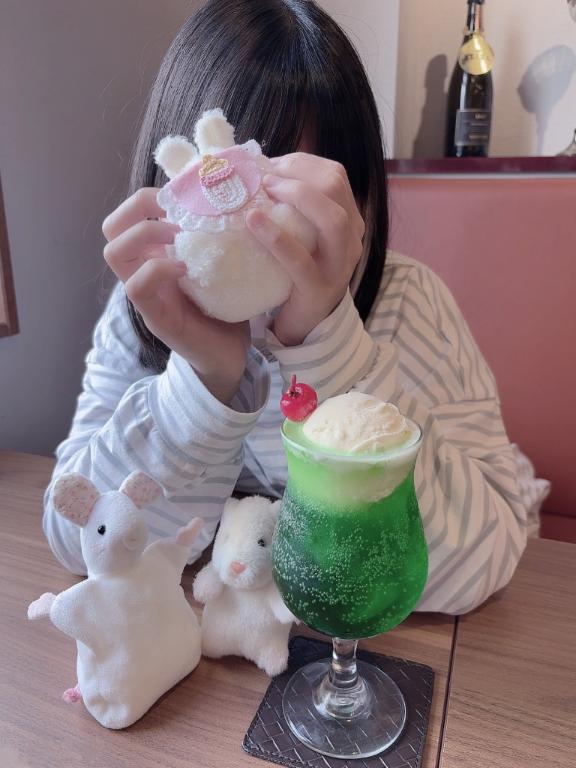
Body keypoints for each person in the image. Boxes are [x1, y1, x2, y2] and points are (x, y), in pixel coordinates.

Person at [43, 0, 548, 614]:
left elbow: (482, 561)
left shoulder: (409, 301)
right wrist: (206, 380)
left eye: (304, 193)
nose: (270, 236)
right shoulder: (148, 310)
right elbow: (76, 536)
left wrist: (326, 350)